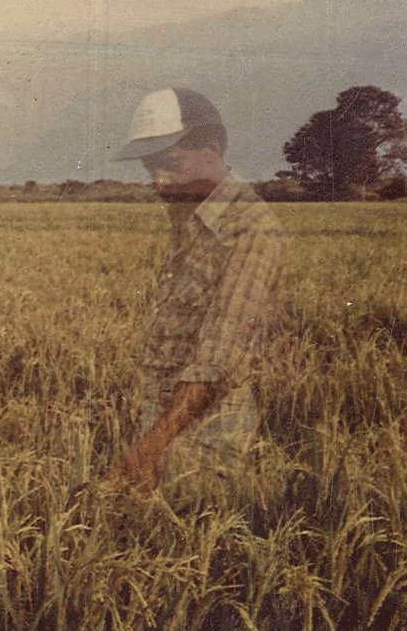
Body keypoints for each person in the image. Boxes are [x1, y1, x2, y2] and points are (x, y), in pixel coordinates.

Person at [108, 87, 288, 492]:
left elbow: (218, 361)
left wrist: (150, 448)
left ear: (210, 149)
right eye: (149, 168)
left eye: (169, 164)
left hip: (205, 442)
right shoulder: (189, 212)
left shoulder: (250, 231)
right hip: (160, 429)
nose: (157, 183)